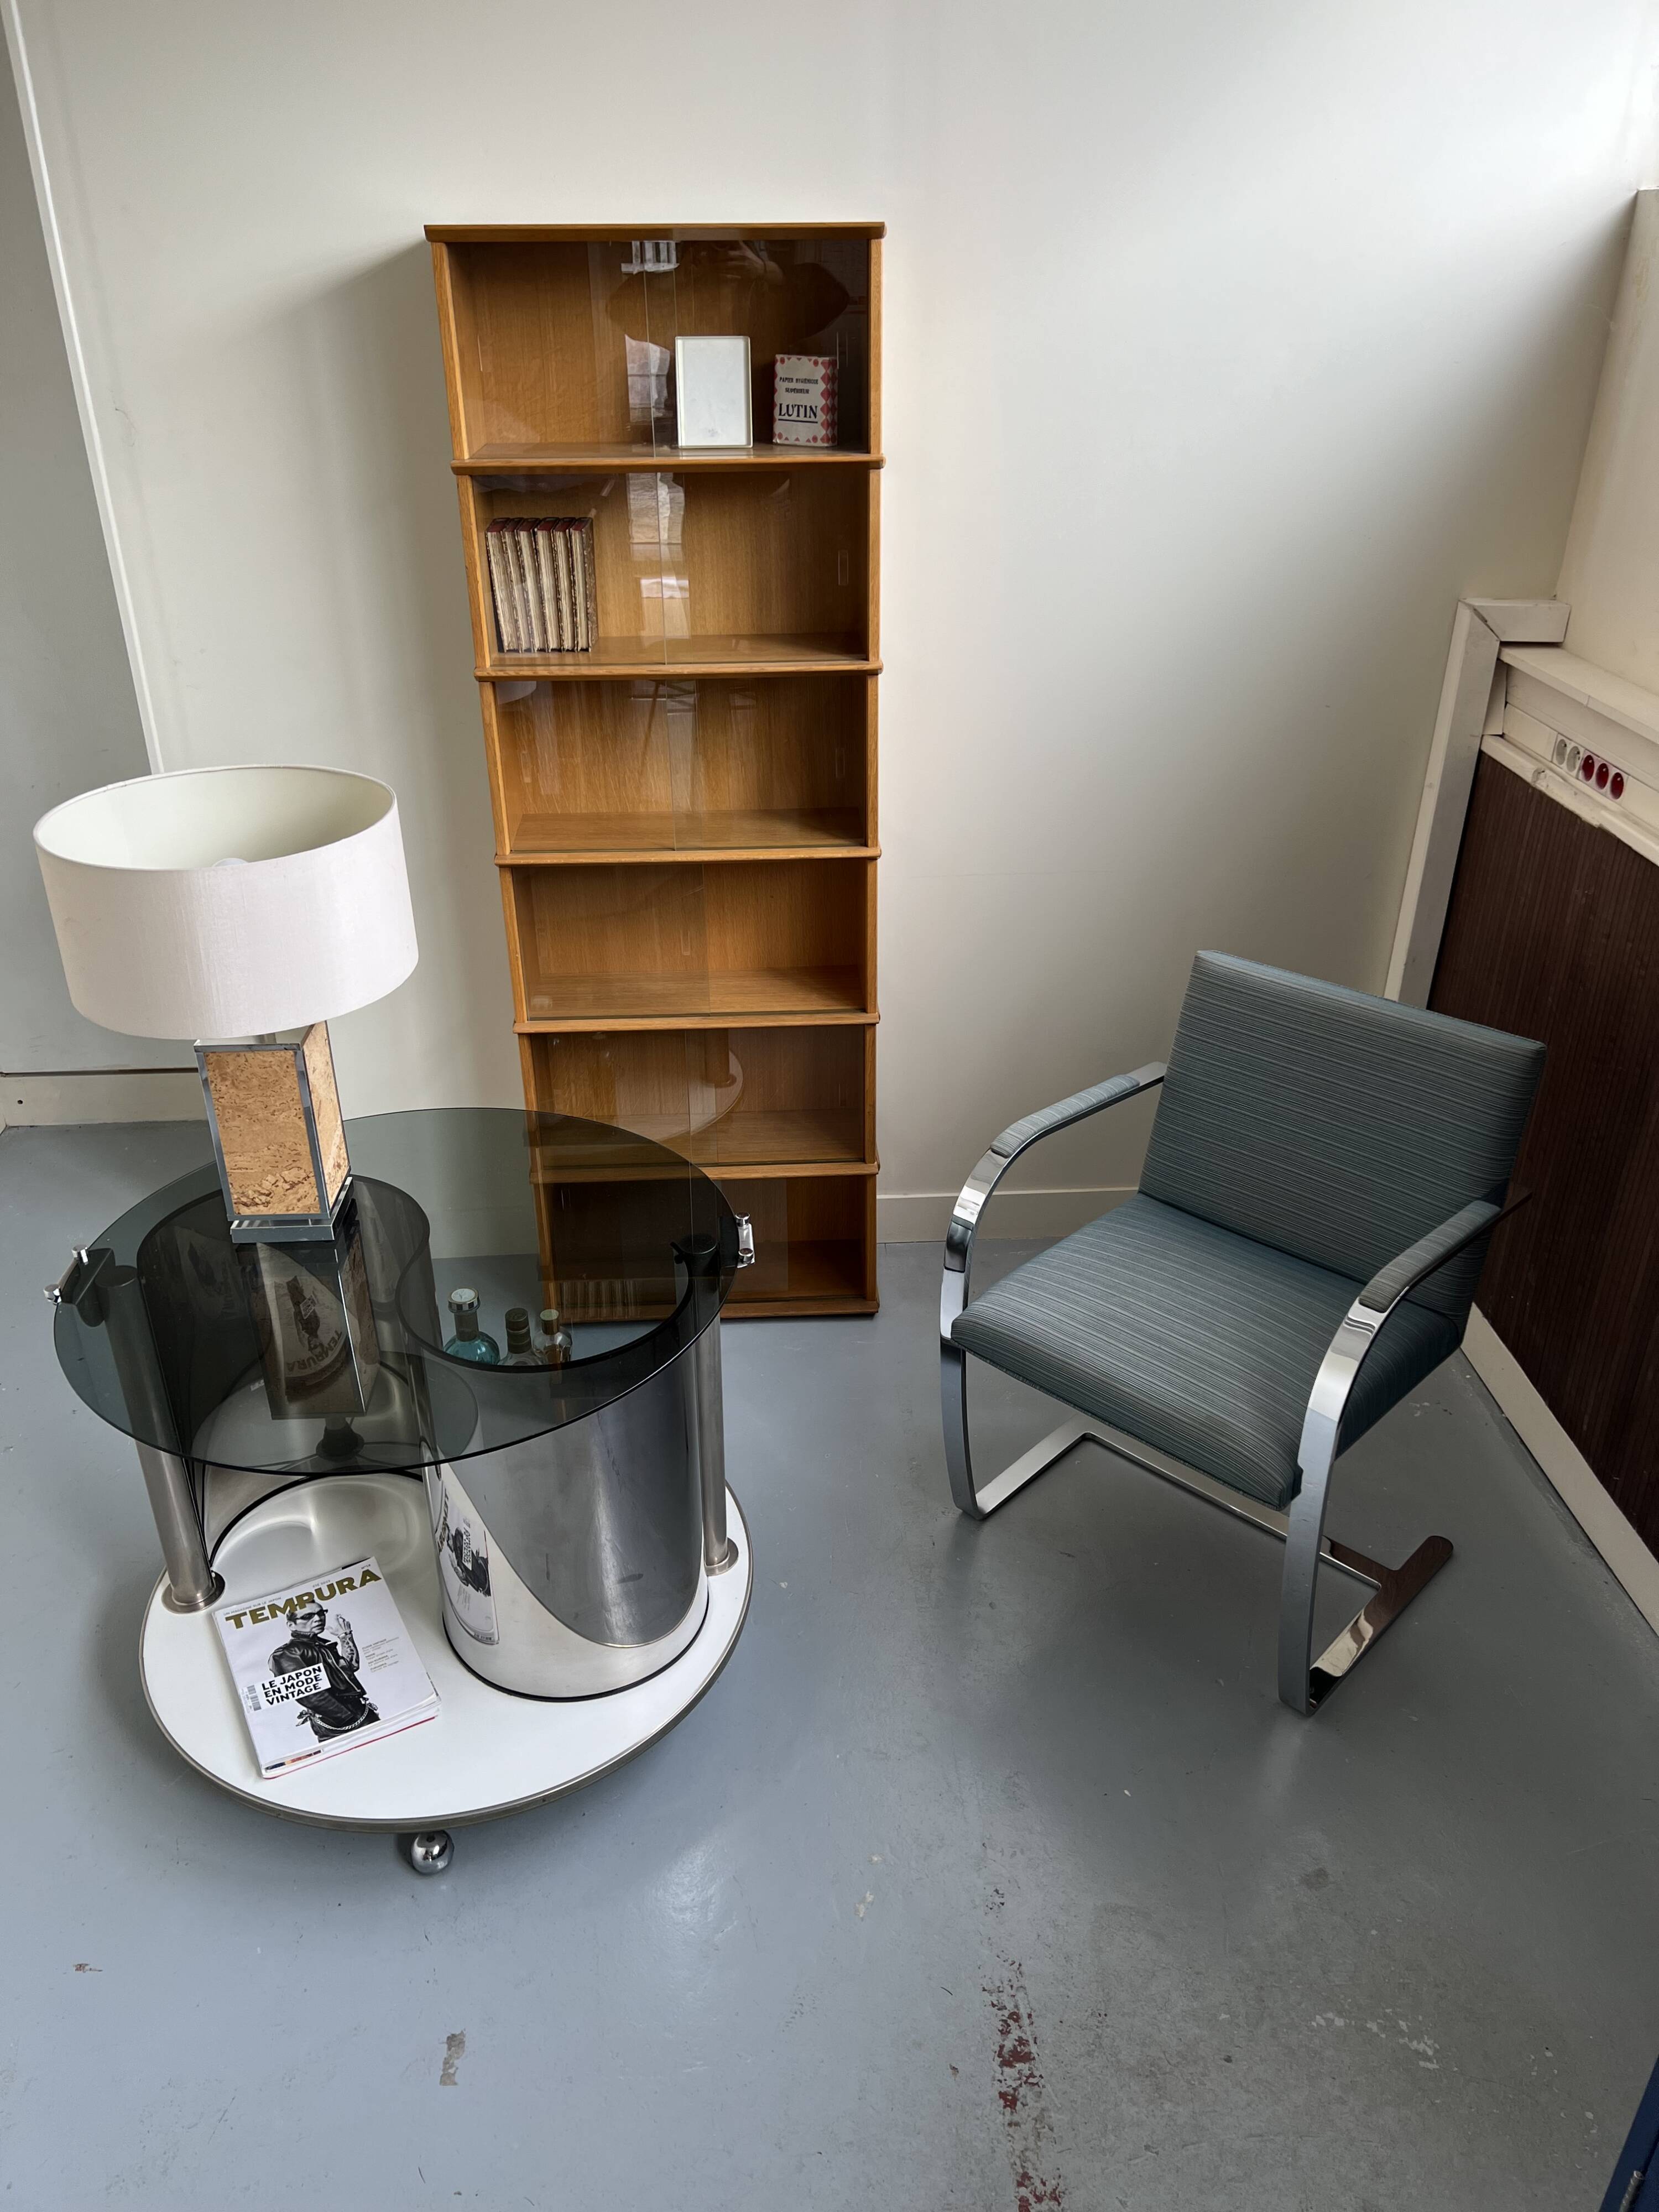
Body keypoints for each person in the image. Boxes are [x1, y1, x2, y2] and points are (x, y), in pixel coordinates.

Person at [268, 1601, 378, 1740]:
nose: (318, 1619)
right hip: (337, 1722)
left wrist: (345, 1636)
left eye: (321, 1613)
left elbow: (350, 1669)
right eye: (308, 1616)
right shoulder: (286, 1654)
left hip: (361, 1712)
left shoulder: (322, 1645)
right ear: (291, 1625)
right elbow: (310, 1695)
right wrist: (346, 1718)